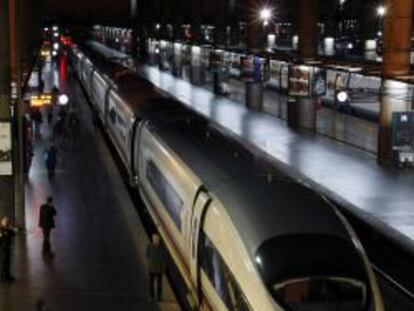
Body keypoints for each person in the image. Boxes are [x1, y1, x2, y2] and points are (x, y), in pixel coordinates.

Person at [146, 233, 166, 301]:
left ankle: (152, 297)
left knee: (152, 283)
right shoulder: (162, 247)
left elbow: (147, 255)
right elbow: (164, 257)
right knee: (158, 283)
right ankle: (158, 297)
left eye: (156, 239)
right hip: (159, 268)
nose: (156, 240)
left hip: (152, 268)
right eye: (155, 239)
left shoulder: (150, 246)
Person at [0, 217, 16, 282]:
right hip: (3, 249)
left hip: (7, 248)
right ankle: (3, 277)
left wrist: (10, 228)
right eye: (5, 221)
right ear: (2, 222)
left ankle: (8, 275)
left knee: (8, 263)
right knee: (4, 263)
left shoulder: (8, 229)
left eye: (7, 221)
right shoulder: (1, 230)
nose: (6, 223)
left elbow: (13, 234)